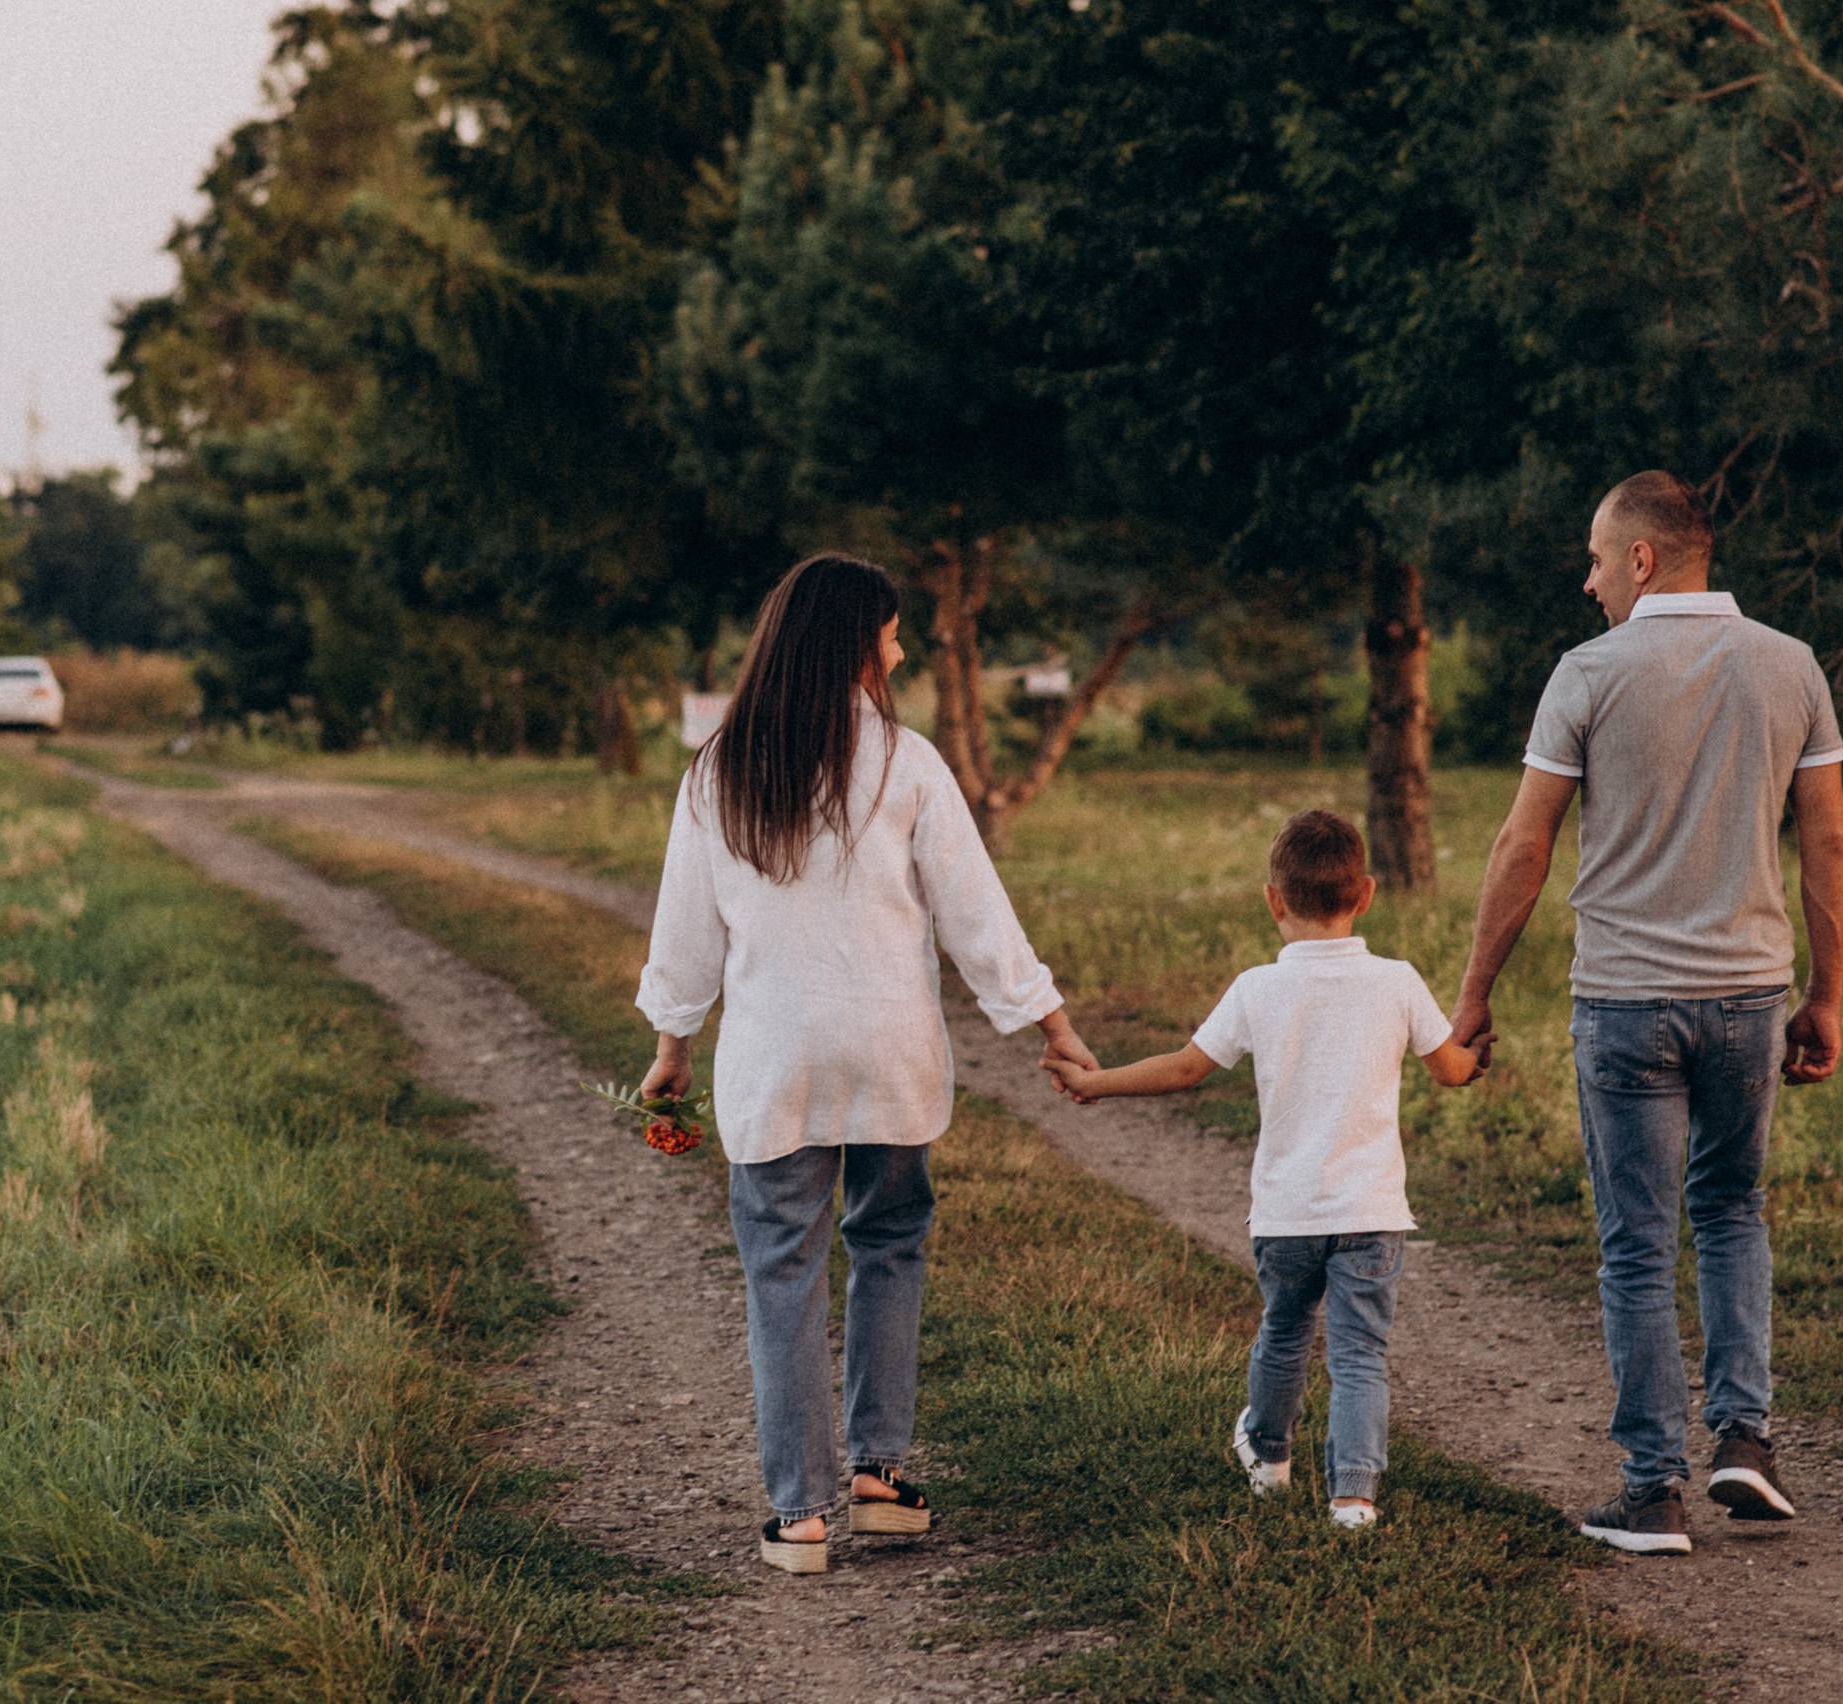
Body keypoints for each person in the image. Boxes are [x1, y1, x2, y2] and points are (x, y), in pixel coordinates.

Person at [634, 552, 1099, 1576]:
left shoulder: (719, 769)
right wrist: (1046, 1020)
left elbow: (686, 932)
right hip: (890, 1052)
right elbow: (976, 914)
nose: (902, 646)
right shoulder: (907, 761)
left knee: (782, 1272)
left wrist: (672, 1042)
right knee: (889, 1244)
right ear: (857, 641)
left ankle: (798, 1516)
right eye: (891, 631)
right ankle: (879, 1478)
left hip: (775, 1060)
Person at [1447, 470, 1843, 1555]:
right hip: (1748, 1000)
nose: (1585, 583)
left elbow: (1524, 844)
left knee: (1635, 1247)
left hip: (1624, 1003)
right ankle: (1745, 1441)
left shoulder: (1585, 674)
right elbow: (1825, 839)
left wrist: (1475, 994)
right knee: (1730, 1212)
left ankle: (1650, 1491)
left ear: (1641, 559)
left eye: (1593, 559)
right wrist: (1825, 991)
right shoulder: (1789, 666)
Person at [1044, 810, 1491, 1528]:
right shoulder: (1398, 981)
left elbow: (1187, 1069)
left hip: (1286, 1212)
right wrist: (1474, 1062)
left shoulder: (1257, 988)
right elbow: (1448, 1069)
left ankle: (1270, 1458)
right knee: (1360, 1354)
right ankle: (1353, 1497)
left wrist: (1095, 1083)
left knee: (1284, 1333)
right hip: (1371, 1212)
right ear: (1367, 894)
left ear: (1273, 901)